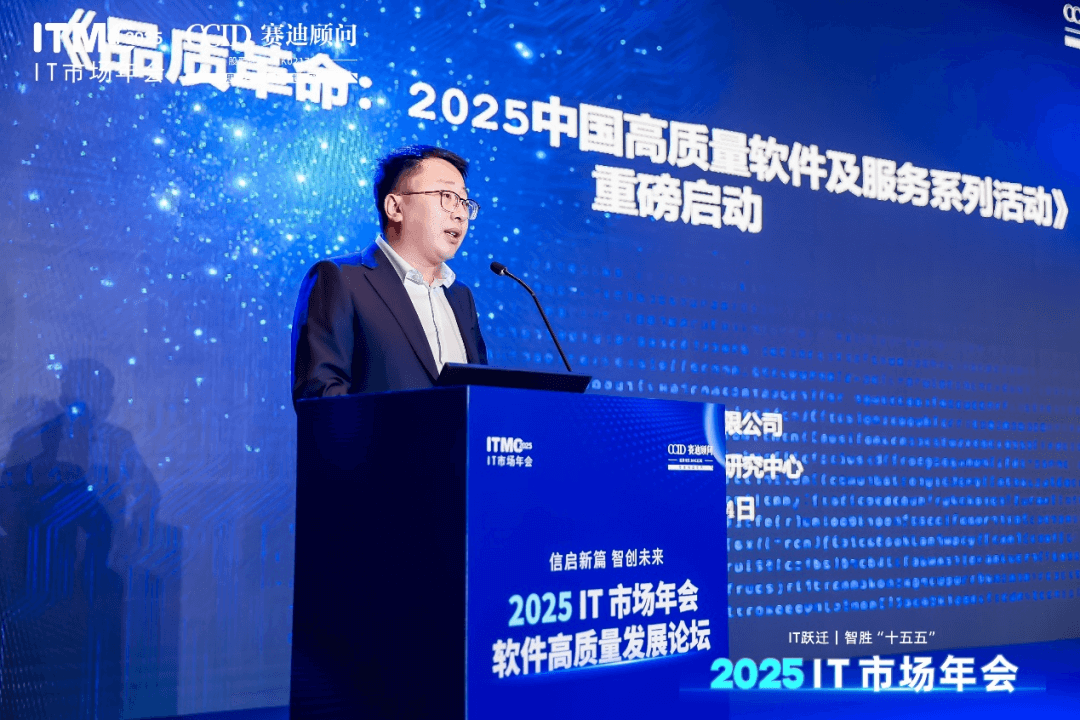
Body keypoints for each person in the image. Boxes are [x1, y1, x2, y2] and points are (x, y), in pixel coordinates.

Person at [291, 145, 487, 402]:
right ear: (395, 207)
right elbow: (321, 397)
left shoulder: (461, 297)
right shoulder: (340, 279)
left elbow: (481, 397)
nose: (461, 214)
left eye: (464, 201)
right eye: (447, 196)